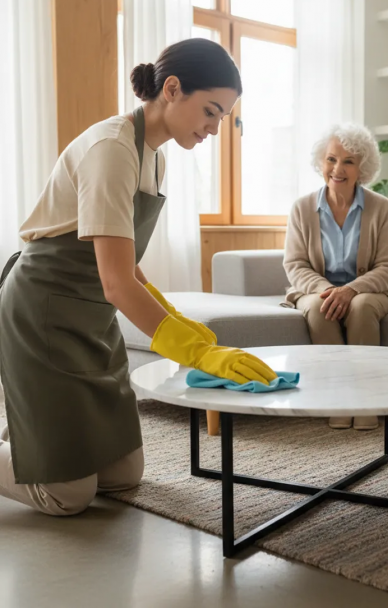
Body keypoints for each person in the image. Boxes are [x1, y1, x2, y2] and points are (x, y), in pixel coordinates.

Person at [0, 38, 276, 516]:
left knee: (123, 476)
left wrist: (179, 321)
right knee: (67, 495)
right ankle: (29, 438)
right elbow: (116, 282)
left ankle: (32, 434)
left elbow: (127, 264)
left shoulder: (154, 155)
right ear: (172, 89)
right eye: (211, 112)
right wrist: (198, 352)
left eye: (223, 118)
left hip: (90, 318)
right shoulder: (112, 149)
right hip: (43, 313)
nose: (214, 129)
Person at [284, 124, 388, 431]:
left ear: (362, 168)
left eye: (348, 161)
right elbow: (295, 264)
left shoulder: (381, 208)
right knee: (317, 307)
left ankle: (366, 401)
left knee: (361, 306)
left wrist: (350, 290)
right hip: (319, 290)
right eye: (331, 159)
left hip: (370, 292)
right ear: (321, 162)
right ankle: (337, 399)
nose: (337, 169)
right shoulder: (302, 208)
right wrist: (328, 289)